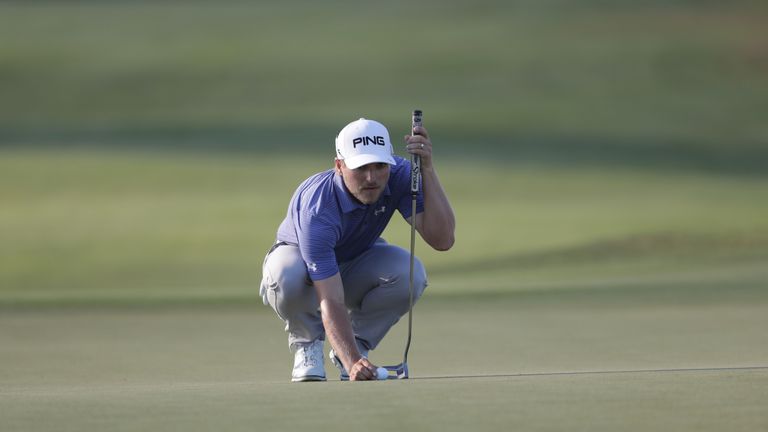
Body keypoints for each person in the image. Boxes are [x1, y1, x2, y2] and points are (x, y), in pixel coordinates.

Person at [259, 117, 455, 381]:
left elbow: (442, 240)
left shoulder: (400, 175)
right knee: (287, 271)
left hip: (354, 264)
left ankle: (356, 346)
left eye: (379, 166)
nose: (372, 177)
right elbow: (330, 298)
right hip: (302, 272)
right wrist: (354, 364)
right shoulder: (318, 207)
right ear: (339, 166)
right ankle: (308, 346)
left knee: (410, 273)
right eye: (361, 168)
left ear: (390, 161)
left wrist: (428, 170)